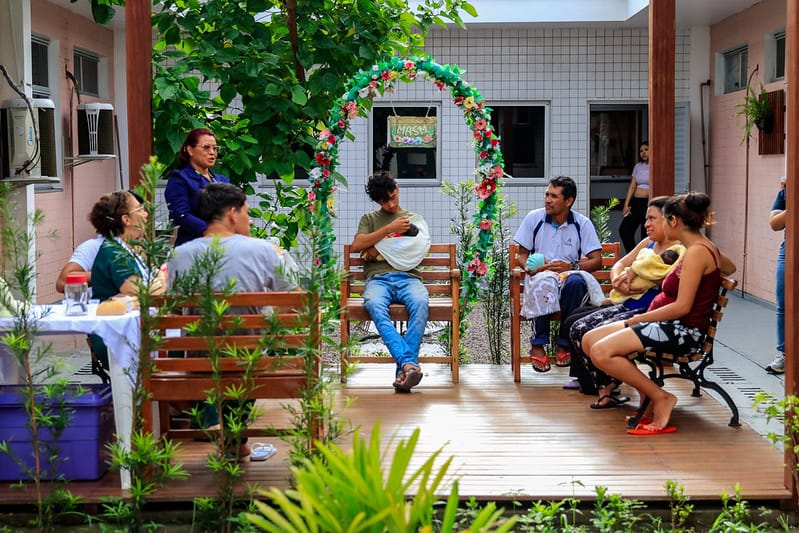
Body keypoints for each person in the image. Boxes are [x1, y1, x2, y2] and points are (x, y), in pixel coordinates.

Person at [583, 193, 725, 435]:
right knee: (589, 339)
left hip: (681, 330)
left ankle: (660, 397)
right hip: (665, 322)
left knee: (601, 351)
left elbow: (683, 307)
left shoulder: (696, 252)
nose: (653, 224)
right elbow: (727, 266)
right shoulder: (697, 247)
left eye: (661, 219)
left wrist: (639, 319)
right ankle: (648, 393)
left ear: (674, 222)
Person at [563, 197, 681, 395]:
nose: (646, 224)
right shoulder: (649, 243)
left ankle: (603, 381)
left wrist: (639, 276)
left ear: (670, 220)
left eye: (652, 219)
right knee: (575, 318)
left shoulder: (679, 251)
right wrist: (618, 279)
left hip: (646, 311)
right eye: (646, 219)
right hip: (627, 303)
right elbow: (620, 264)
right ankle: (592, 380)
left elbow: (666, 281)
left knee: (581, 325)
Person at [512, 175, 602, 373]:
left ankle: (564, 342)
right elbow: (522, 255)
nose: (547, 200)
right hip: (542, 275)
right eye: (547, 194)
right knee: (543, 282)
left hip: (568, 276)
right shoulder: (534, 218)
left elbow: (597, 260)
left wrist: (572, 266)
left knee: (576, 282)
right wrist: (530, 268)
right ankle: (538, 343)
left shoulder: (582, 223)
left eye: (553, 196)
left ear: (568, 201)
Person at [351, 171, 430, 393]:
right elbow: (358, 246)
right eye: (385, 202)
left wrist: (376, 248)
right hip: (378, 279)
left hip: (409, 276)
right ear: (377, 201)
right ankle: (408, 365)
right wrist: (389, 230)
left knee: (421, 303)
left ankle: (404, 370)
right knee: (374, 305)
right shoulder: (369, 219)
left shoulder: (412, 219)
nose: (392, 204)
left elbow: (418, 246)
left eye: (393, 196)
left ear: (397, 189)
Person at [89, 190, 166, 369]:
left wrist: (158, 281)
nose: (146, 214)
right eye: (140, 209)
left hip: (133, 329)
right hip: (116, 335)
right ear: (126, 219)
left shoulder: (129, 248)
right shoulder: (113, 251)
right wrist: (161, 278)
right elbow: (144, 291)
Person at [165, 128, 230, 247]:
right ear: (190, 150)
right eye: (206, 147)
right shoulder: (180, 179)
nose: (212, 152)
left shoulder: (222, 180)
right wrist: (209, 230)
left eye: (215, 148)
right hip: (193, 246)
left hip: (223, 244)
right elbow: (181, 215)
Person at [607, 246, 681, 305]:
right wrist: (617, 281)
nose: (646, 226)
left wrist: (638, 270)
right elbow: (620, 263)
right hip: (626, 301)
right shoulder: (649, 241)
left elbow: (673, 281)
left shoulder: (681, 250)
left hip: (651, 307)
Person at [766, 177, 786, 374]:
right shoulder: (786, 192)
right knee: (783, 303)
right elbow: (774, 223)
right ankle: (783, 353)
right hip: (789, 248)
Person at [618, 141, 650, 254]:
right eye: (641, 151)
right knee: (624, 230)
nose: (643, 153)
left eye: (646, 149)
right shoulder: (638, 166)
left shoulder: (656, 166)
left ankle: (643, 259)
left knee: (645, 233)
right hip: (636, 202)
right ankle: (633, 255)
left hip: (648, 203)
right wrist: (626, 204)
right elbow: (632, 185)